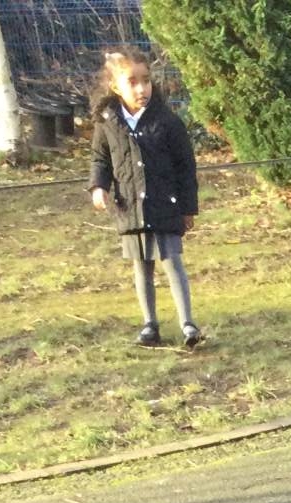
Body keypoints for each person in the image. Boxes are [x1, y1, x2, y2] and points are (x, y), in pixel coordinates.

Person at [88, 47, 201, 349]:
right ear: (115, 87)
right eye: (132, 82)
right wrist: (99, 187)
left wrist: (188, 208)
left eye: (146, 80)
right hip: (130, 208)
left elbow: (185, 167)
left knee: (172, 262)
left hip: (165, 205)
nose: (142, 88)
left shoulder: (168, 121)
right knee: (142, 266)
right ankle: (150, 325)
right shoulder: (107, 122)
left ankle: (188, 324)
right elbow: (101, 159)